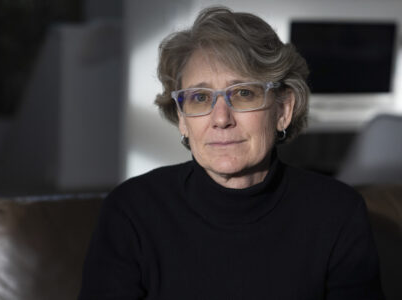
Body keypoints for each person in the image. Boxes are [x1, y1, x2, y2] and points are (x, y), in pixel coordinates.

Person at [78, 6, 383, 300]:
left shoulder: (337, 213)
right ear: (183, 118)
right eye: (199, 97)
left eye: (243, 93)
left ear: (283, 110)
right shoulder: (131, 212)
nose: (221, 119)